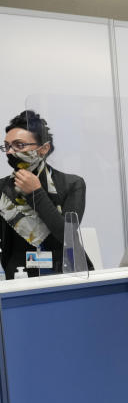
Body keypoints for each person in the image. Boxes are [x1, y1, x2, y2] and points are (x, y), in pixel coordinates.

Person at [1, 110, 88, 279]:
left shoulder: (72, 184)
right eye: (7, 146)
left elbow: (67, 235)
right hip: (18, 277)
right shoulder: (2, 188)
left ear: (44, 148)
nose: (10, 152)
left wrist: (36, 193)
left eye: (19, 145)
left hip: (65, 273)